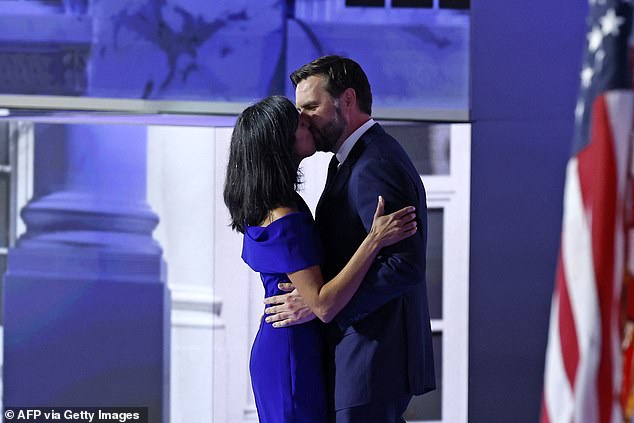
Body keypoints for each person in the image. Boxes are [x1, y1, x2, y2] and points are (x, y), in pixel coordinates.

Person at [223, 95, 419, 423]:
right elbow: (324, 306)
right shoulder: (284, 216)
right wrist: (375, 239)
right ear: (281, 143)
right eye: (299, 124)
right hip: (291, 353)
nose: (308, 123)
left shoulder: (271, 203)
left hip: (289, 344)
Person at [263, 56, 436, 422]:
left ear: (348, 100)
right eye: (299, 109)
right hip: (357, 357)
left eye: (312, 106)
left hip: (371, 358)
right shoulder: (349, 160)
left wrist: (323, 304)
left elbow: (405, 265)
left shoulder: (377, 162)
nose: (303, 118)